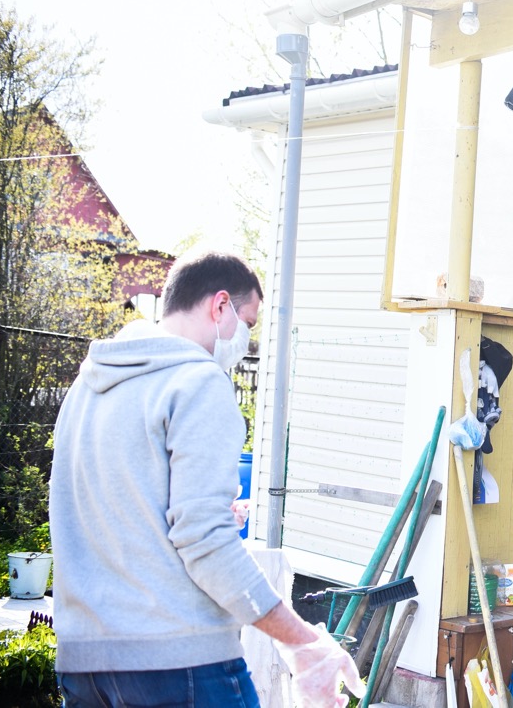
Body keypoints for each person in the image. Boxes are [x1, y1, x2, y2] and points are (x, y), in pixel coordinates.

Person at [50, 251, 364, 707]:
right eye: (249, 323)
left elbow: (101, 513)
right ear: (220, 306)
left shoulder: (85, 389)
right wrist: (304, 644)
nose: (247, 340)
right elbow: (205, 542)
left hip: (83, 666)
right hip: (178, 665)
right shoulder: (200, 383)